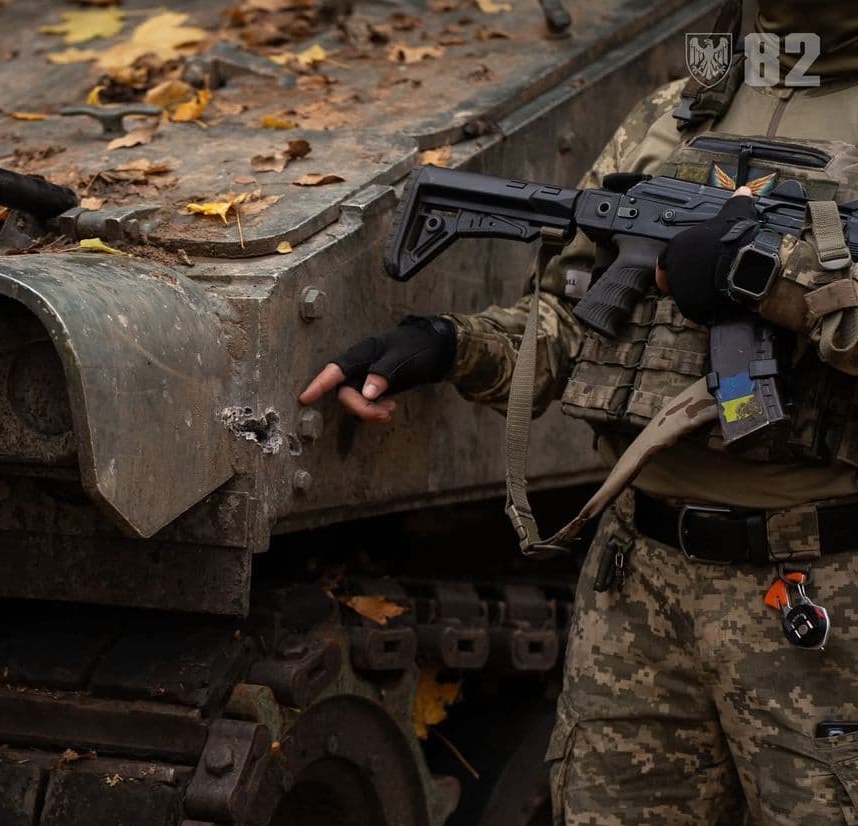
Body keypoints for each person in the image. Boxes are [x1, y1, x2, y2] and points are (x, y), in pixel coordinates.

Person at [301, 1, 858, 822]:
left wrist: (764, 279)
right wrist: (445, 346)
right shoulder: (681, 107)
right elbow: (570, 317)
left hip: (823, 593)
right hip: (635, 581)